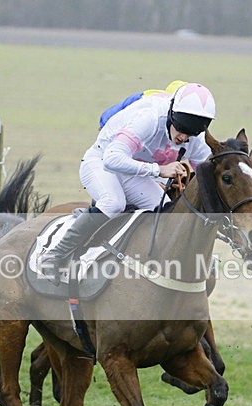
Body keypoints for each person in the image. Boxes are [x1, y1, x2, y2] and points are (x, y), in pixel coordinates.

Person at [39, 82, 217, 282]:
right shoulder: (150, 118)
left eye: (191, 133)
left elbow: (207, 174)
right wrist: (159, 170)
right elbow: (112, 159)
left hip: (134, 174)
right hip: (101, 162)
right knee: (113, 202)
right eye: (181, 129)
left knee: (169, 212)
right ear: (172, 115)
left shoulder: (196, 138)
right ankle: (54, 255)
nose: (183, 137)